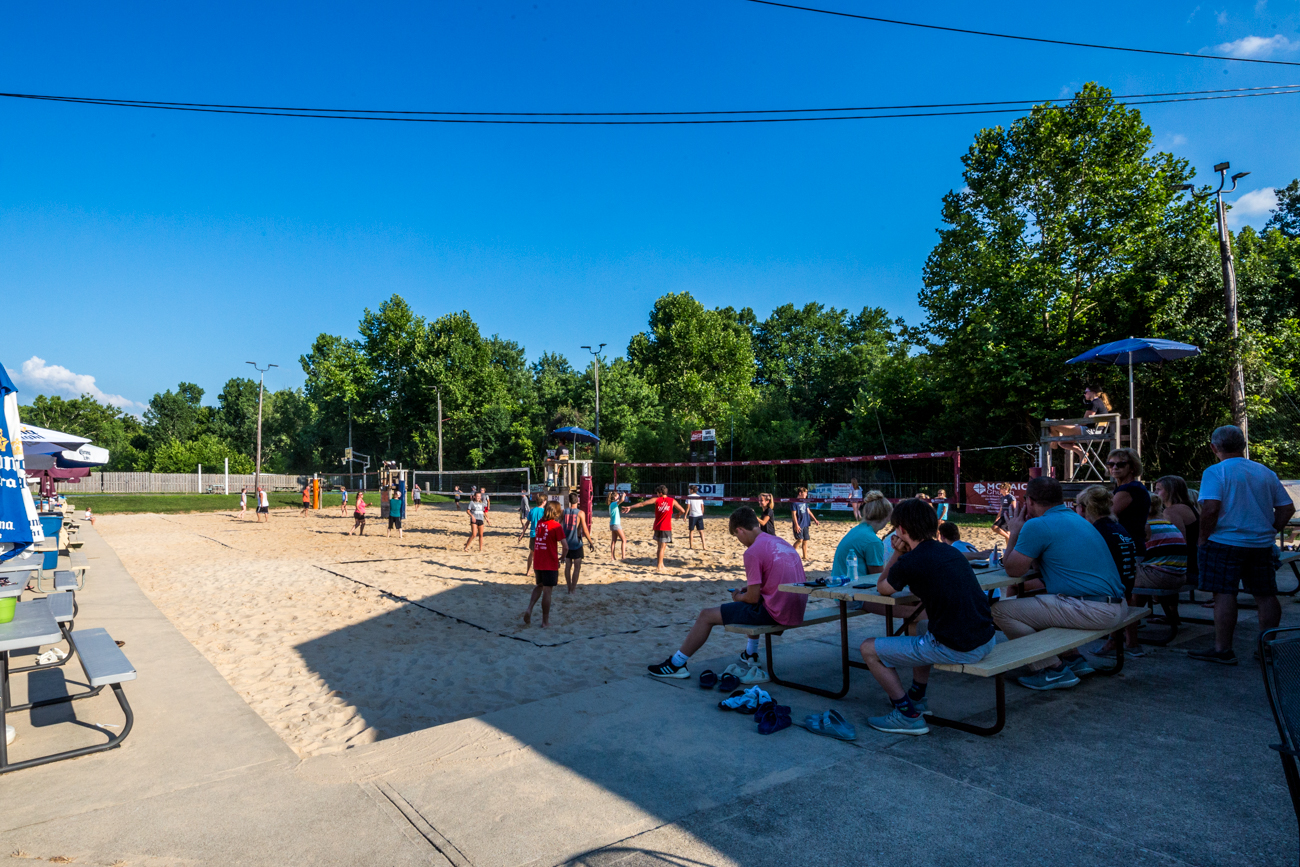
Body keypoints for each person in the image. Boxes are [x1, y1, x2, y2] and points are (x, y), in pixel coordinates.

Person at [857, 498, 997, 735]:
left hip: (958, 646)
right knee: (921, 626)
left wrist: (897, 554)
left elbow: (883, 587)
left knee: (868, 649)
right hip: (985, 639)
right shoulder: (950, 552)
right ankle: (917, 697)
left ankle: (906, 715)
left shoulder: (911, 560)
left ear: (901, 529)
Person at [997, 476, 1127, 689]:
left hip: (1092, 608)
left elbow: (1013, 571)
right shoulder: (1079, 520)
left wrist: (1014, 533)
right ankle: (1072, 659)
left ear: (1029, 501)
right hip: (1116, 606)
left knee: (1002, 611)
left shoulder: (1039, 525)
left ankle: (1051, 670)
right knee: (1034, 606)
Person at [647, 507, 807, 678]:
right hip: (797, 609)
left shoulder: (753, 551)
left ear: (740, 530)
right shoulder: (780, 542)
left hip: (778, 613)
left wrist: (738, 596)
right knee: (745, 608)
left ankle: (676, 664)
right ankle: (750, 653)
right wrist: (751, 593)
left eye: (736, 536)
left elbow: (752, 598)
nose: (739, 540)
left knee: (706, 615)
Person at [1189, 425, 1295, 665]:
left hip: (1224, 542)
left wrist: (1203, 537)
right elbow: (1287, 507)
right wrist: (1271, 530)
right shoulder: (1264, 472)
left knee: (1224, 593)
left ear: (1214, 447)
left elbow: (1211, 509)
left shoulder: (1216, 472)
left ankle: (1223, 649)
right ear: (1243, 445)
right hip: (1260, 544)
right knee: (1266, 594)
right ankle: (1266, 647)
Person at [1073, 485, 1139, 657]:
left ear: (1083, 508)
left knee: (1045, 594)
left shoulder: (1094, 532)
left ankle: (1064, 658)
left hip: (1106, 603)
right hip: (1125, 596)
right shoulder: (1119, 529)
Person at [524, 501, 568, 628]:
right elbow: (565, 547)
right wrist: (562, 558)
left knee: (539, 586)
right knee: (547, 591)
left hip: (538, 560)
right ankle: (545, 621)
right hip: (549, 561)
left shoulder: (539, 523)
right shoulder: (556, 526)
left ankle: (529, 608)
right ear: (556, 512)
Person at [831, 490, 892, 580]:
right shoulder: (873, 541)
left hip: (838, 586)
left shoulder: (857, 530)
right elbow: (879, 579)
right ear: (887, 517)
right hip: (852, 589)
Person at [626, 485, 686, 572]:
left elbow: (642, 504)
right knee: (662, 547)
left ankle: (661, 564)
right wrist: (678, 515)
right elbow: (682, 510)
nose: (657, 495)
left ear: (660, 493)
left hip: (657, 526)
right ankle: (659, 566)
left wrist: (630, 507)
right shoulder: (672, 501)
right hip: (666, 527)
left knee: (660, 547)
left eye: (657, 493)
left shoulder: (656, 500)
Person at [1154, 475, 1200, 590]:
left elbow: (1177, 543)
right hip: (1195, 564)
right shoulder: (1189, 507)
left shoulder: (1172, 511)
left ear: (1170, 491)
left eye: (1159, 490)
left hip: (1185, 569)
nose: (1155, 493)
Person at [1107, 447, 1150, 558]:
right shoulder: (1131, 488)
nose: (1115, 467)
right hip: (1129, 545)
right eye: (1111, 464)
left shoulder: (1129, 489)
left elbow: (1107, 515)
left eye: (1121, 464)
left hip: (1127, 547)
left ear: (1132, 467)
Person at [1049, 383, 1113, 456]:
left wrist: (1072, 426)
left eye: (1086, 392)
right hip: (1096, 431)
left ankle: (1053, 443)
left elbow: (1085, 422)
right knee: (1062, 442)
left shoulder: (1094, 403)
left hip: (1090, 431)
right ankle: (1082, 453)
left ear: (1093, 392)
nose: (1084, 394)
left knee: (1052, 426)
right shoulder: (1099, 403)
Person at [561, 492, 594, 593]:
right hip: (576, 542)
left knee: (567, 566)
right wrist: (591, 542)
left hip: (566, 542)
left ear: (569, 501)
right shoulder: (580, 513)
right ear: (578, 500)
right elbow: (585, 529)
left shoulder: (564, 511)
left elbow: (558, 524)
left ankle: (568, 587)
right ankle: (573, 589)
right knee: (577, 567)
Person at [517, 494, 546, 574]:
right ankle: (540, 570)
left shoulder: (532, 511)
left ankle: (528, 571)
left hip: (533, 534)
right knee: (542, 554)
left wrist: (522, 534)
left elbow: (527, 523)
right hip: (542, 535)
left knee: (531, 554)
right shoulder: (544, 512)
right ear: (543, 502)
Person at [790, 486, 821, 561]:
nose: (806, 495)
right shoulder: (794, 502)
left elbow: (808, 511)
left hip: (806, 523)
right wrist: (796, 525)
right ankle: (791, 554)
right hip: (799, 524)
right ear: (800, 493)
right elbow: (793, 514)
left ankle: (805, 557)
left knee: (805, 540)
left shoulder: (804, 501)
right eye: (805, 493)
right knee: (799, 540)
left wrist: (815, 520)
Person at [685, 485, 707, 549]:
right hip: (699, 515)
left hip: (692, 515)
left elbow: (688, 507)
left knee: (691, 531)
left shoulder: (689, 497)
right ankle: (704, 546)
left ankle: (691, 546)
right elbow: (702, 506)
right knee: (701, 531)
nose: (689, 490)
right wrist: (701, 513)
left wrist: (685, 515)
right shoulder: (699, 497)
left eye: (689, 489)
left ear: (691, 490)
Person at [608, 491, 628, 560]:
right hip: (616, 524)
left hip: (612, 524)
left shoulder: (611, 505)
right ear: (614, 497)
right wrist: (624, 495)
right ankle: (623, 557)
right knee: (624, 540)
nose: (618, 496)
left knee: (613, 541)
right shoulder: (613, 504)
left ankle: (612, 557)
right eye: (617, 496)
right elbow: (622, 500)